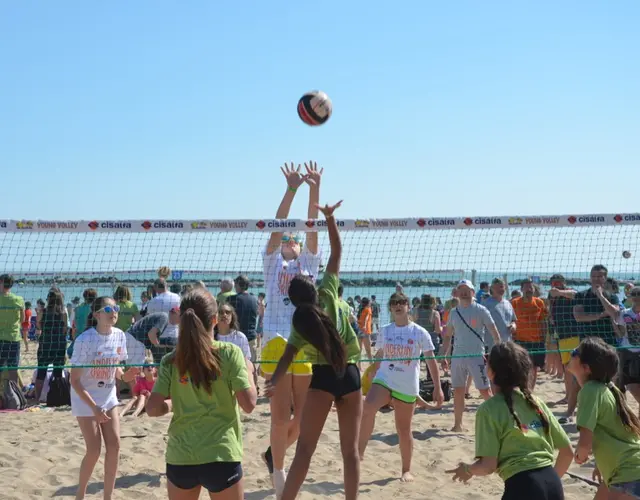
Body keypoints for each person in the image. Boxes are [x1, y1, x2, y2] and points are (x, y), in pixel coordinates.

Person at [265, 200, 362, 500]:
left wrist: (272, 382)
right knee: (351, 452)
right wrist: (330, 218)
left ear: (294, 302)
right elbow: (336, 251)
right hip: (349, 374)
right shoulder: (330, 293)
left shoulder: (300, 324)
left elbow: (286, 358)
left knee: (305, 451)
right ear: (314, 289)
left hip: (321, 380)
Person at [146, 288, 257, 500]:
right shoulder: (229, 352)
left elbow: (152, 409)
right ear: (214, 320)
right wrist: (250, 372)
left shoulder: (171, 360)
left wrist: (170, 405)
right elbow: (249, 404)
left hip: (181, 457)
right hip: (221, 455)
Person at [260, 162, 323, 493]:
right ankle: (279, 472)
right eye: (284, 238)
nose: (287, 239)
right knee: (281, 416)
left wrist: (315, 188)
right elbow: (276, 226)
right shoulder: (273, 265)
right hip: (276, 342)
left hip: (304, 345)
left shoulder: (309, 262)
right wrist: (292, 189)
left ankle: (274, 454)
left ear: (298, 245)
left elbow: (312, 227)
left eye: (292, 238)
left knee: (303, 416)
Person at [446, 342, 573, 500]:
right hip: (553, 485)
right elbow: (568, 452)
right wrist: (548, 483)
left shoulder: (489, 410)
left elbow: (488, 467)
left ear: (490, 371)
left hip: (523, 486)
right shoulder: (535, 402)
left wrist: (467, 470)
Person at [359, 291, 444, 482]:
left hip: (406, 385)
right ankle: (359, 454)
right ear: (390, 307)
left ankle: (406, 470)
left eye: (402, 302)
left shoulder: (419, 332)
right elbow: (380, 354)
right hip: (385, 378)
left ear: (408, 306)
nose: (398, 305)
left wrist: (438, 387)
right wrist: (373, 371)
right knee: (368, 408)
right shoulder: (385, 330)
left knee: (403, 429)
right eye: (394, 303)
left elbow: (431, 361)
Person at [69, 297, 139, 500]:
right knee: (94, 450)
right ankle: (80, 495)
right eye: (108, 308)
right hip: (85, 398)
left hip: (108, 396)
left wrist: (127, 376)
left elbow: (116, 369)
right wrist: (94, 408)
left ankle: (107, 497)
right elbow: (74, 381)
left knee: (115, 445)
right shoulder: (85, 340)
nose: (114, 312)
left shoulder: (119, 335)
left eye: (116, 308)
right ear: (97, 314)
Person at [569, 337, 640, 499]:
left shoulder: (589, 391)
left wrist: (580, 455)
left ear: (586, 368)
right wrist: (601, 466)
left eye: (575, 353)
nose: (570, 354)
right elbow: (617, 431)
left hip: (628, 472)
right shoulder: (608, 388)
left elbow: (585, 442)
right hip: (627, 468)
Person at [440, 279, 501, 431]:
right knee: (458, 391)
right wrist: (444, 356)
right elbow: (448, 336)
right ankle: (457, 425)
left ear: (473, 292)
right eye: (461, 290)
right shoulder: (454, 313)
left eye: (467, 290)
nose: (464, 293)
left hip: (476, 356)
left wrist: (499, 350)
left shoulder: (480, 310)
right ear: (457, 293)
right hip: (458, 357)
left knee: (484, 390)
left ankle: (500, 419)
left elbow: (494, 330)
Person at [511, 279, 548, 386]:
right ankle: (522, 387)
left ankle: (530, 390)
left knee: (534, 367)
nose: (529, 289)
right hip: (520, 340)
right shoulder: (515, 302)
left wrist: (544, 339)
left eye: (531, 287)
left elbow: (543, 321)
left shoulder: (539, 302)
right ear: (521, 289)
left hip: (537, 340)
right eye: (526, 287)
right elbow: (510, 320)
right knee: (520, 366)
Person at [35, 289, 68, 400]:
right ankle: (58, 396)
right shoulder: (63, 312)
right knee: (58, 373)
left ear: (49, 299)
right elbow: (64, 330)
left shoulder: (43, 311)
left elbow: (38, 327)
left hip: (46, 343)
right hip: (59, 343)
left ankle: (37, 398)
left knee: (41, 373)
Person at [0, 274, 26, 383]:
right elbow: (22, 319)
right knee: (13, 369)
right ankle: (14, 395)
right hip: (13, 338)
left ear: (1, 282)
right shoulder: (18, 300)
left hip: (1, 339)